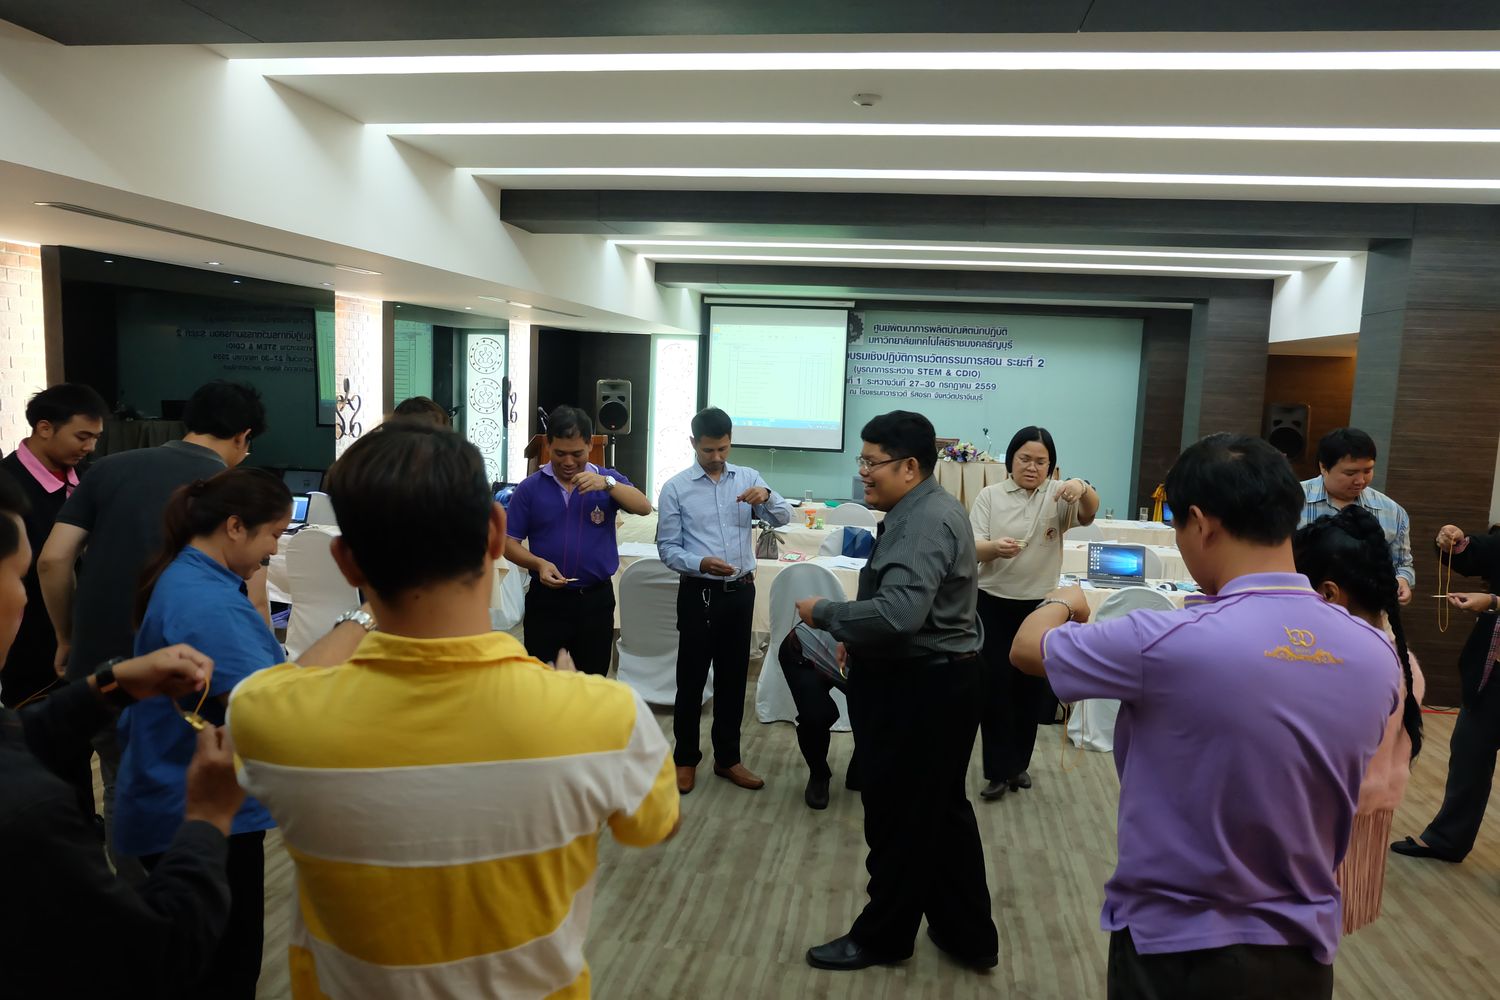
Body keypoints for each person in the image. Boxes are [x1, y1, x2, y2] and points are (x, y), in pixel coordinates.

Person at [229, 420, 680, 999]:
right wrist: (573, 703)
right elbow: (655, 826)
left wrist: (363, 615)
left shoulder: (266, 712)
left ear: (346, 561)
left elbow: (284, 690)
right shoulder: (605, 715)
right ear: (496, 533)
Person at [1010, 434, 1399, 998]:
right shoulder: (1376, 652)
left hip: (1175, 949)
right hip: (1304, 951)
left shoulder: (1165, 640)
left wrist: (1063, 600)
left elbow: (1027, 649)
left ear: (1199, 522)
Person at [0, 470, 248, 997]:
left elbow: (16, 738)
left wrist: (108, 686)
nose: (23, 600)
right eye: (18, 578)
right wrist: (207, 819)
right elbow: (160, 953)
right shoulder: (30, 811)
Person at [796, 410, 998, 973]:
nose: (863, 472)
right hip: (938, 678)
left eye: (872, 462)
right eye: (861, 460)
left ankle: (884, 937)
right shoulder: (925, 508)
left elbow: (900, 614)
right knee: (939, 813)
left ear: (909, 467)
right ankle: (968, 933)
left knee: (899, 818)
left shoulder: (923, 522)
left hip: (920, 688)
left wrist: (828, 614)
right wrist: (857, 636)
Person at [37, 379, 266, 874]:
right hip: (191, 677)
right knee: (196, 792)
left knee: (122, 786)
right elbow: (254, 594)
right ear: (243, 436)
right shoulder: (231, 492)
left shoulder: (107, 468)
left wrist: (67, 636)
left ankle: (131, 899)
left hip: (101, 668)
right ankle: (184, 903)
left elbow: (53, 559)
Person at [115, 468, 294, 999]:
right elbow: (272, 707)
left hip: (181, 799)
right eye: (273, 534)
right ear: (235, 526)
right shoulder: (205, 602)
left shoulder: (195, 580)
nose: (274, 550)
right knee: (224, 973)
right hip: (196, 813)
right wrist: (361, 621)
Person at [1293, 505, 1424, 933]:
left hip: (1321, 825)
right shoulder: (1400, 658)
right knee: (1319, 935)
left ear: (1329, 593)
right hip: (1366, 817)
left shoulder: (1341, 662)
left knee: (1300, 937)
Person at [657, 406, 791, 793]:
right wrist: (699, 563)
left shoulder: (748, 478)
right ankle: (685, 759)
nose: (717, 457)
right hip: (698, 592)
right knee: (691, 679)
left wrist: (768, 496)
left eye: (723, 449)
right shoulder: (676, 488)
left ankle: (728, 759)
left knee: (733, 680)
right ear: (693, 443)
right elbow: (667, 548)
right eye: (708, 450)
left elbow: (783, 517)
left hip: (740, 592)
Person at [969, 425, 1098, 801]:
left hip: (1040, 608)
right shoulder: (990, 496)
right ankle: (997, 770)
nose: (1032, 467)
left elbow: (1089, 512)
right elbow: (972, 548)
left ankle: (1018, 766)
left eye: (1041, 461)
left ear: (1051, 466)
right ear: (1011, 460)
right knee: (995, 689)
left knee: (1031, 690)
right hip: (992, 602)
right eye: (1025, 459)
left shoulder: (1059, 496)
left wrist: (1081, 486)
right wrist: (995, 548)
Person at [504, 405, 651, 675]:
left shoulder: (607, 481)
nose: (569, 462)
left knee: (593, 682)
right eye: (560, 453)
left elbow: (644, 507)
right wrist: (538, 564)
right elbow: (509, 544)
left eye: (577, 454)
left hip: (595, 600)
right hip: (546, 602)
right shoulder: (530, 488)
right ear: (548, 445)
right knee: (543, 681)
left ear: (590, 445)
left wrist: (607, 484)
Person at [1391, 521, 1500, 865]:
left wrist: (1494, 601)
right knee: (1469, 753)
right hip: (1492, 670)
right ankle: (1447, 839)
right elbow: (1477, 555)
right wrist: (1455, 542)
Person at [0, 382, 107, 708]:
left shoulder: (92, 478)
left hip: (87, 632)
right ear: (44, 428)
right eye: (82, 436)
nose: (89, 447)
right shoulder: (7, 486)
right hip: (30, 639)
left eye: (95, 438)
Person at [1299, 427, 1415, 605]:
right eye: (1350, 473)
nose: (1360, 481)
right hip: (1303, 607)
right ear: (1323, 467)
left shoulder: (1393, 511)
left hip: (1365, 612)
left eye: (1367, 471)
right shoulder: (1291, 500)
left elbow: (1402, 564)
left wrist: (1402, 581)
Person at [777, 627, 860, 810]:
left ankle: (859, 770)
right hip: (804, 651)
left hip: (851, 661)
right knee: (816, 715)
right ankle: (819, 774)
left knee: (874, 712)